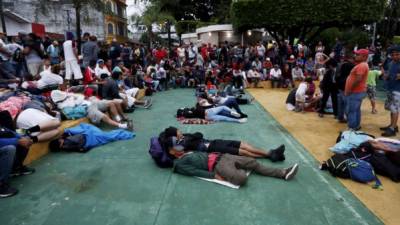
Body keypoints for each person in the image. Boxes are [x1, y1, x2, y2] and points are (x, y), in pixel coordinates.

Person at [170, 147, 299, 186]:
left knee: (253, 162)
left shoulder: (186, 152)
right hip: (217, 166)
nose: (180, 147)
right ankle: (237, 171)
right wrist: (213, 175)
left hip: (223, 156)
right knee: (241, 179)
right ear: (172, 152)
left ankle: (283, 173)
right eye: (176, 146)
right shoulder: (179, 164)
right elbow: (194, 171)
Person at [162, 127, 286, 160]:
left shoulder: (185, 137)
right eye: (178, 131)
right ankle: (271, 154)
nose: (180, 131)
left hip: (213, 141)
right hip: (211, 148)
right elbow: (186, 146)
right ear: (174, 134)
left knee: (243, 144)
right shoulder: (179, 144)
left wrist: (191, 137)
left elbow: (200, 134)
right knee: (242, 152)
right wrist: (191, 139)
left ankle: (271, 154)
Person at [344, 49, 370, 130]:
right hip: (358, 91)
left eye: (358, 55)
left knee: (351, 111)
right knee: (356, 110)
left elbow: (358, 79)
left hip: (355, 91)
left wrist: (350, 89)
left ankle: (351, 128)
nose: (356, 56)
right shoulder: (362, 65)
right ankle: (356, 126)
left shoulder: (362, 65)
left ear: (364, 57)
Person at [381, 46, 400, 137]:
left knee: (395, 109)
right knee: (391, 109)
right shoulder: (391, 63)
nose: (395, 56)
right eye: (393, 55)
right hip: (390, 88)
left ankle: (392, 129)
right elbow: (389, 73)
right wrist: (386, 76)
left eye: (397, 54)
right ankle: (393, 125)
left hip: (398, 90)